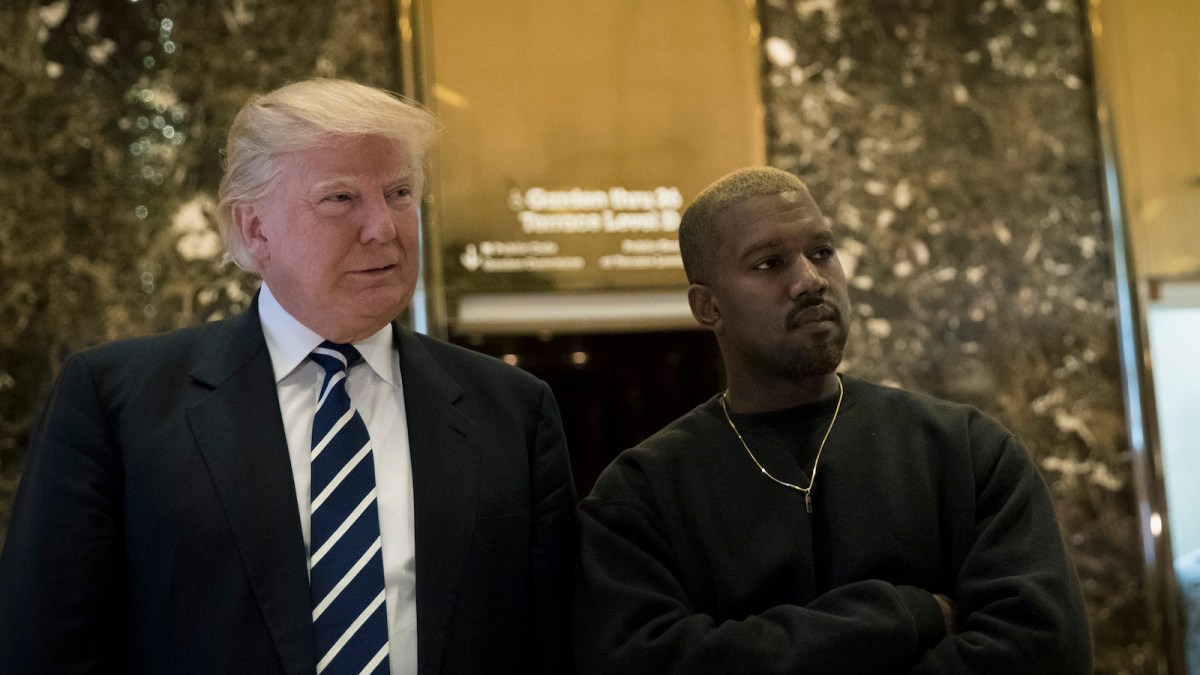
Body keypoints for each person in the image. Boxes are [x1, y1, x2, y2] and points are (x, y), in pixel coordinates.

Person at [0, 78, 576, 675]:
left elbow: (553, 644)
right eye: (341, 198)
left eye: (399, 193)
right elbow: (45, 646)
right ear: (254, 228)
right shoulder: (118, 402)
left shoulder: (511, 409)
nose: (383, 227)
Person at [573, 166, 1092, 674]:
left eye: (822, 252)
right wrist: (907, 616)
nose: (809, 280)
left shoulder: (966, 451)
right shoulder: (643, 495)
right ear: (708, 307)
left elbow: (1046, 649)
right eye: (768, 264)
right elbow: (639, 658)